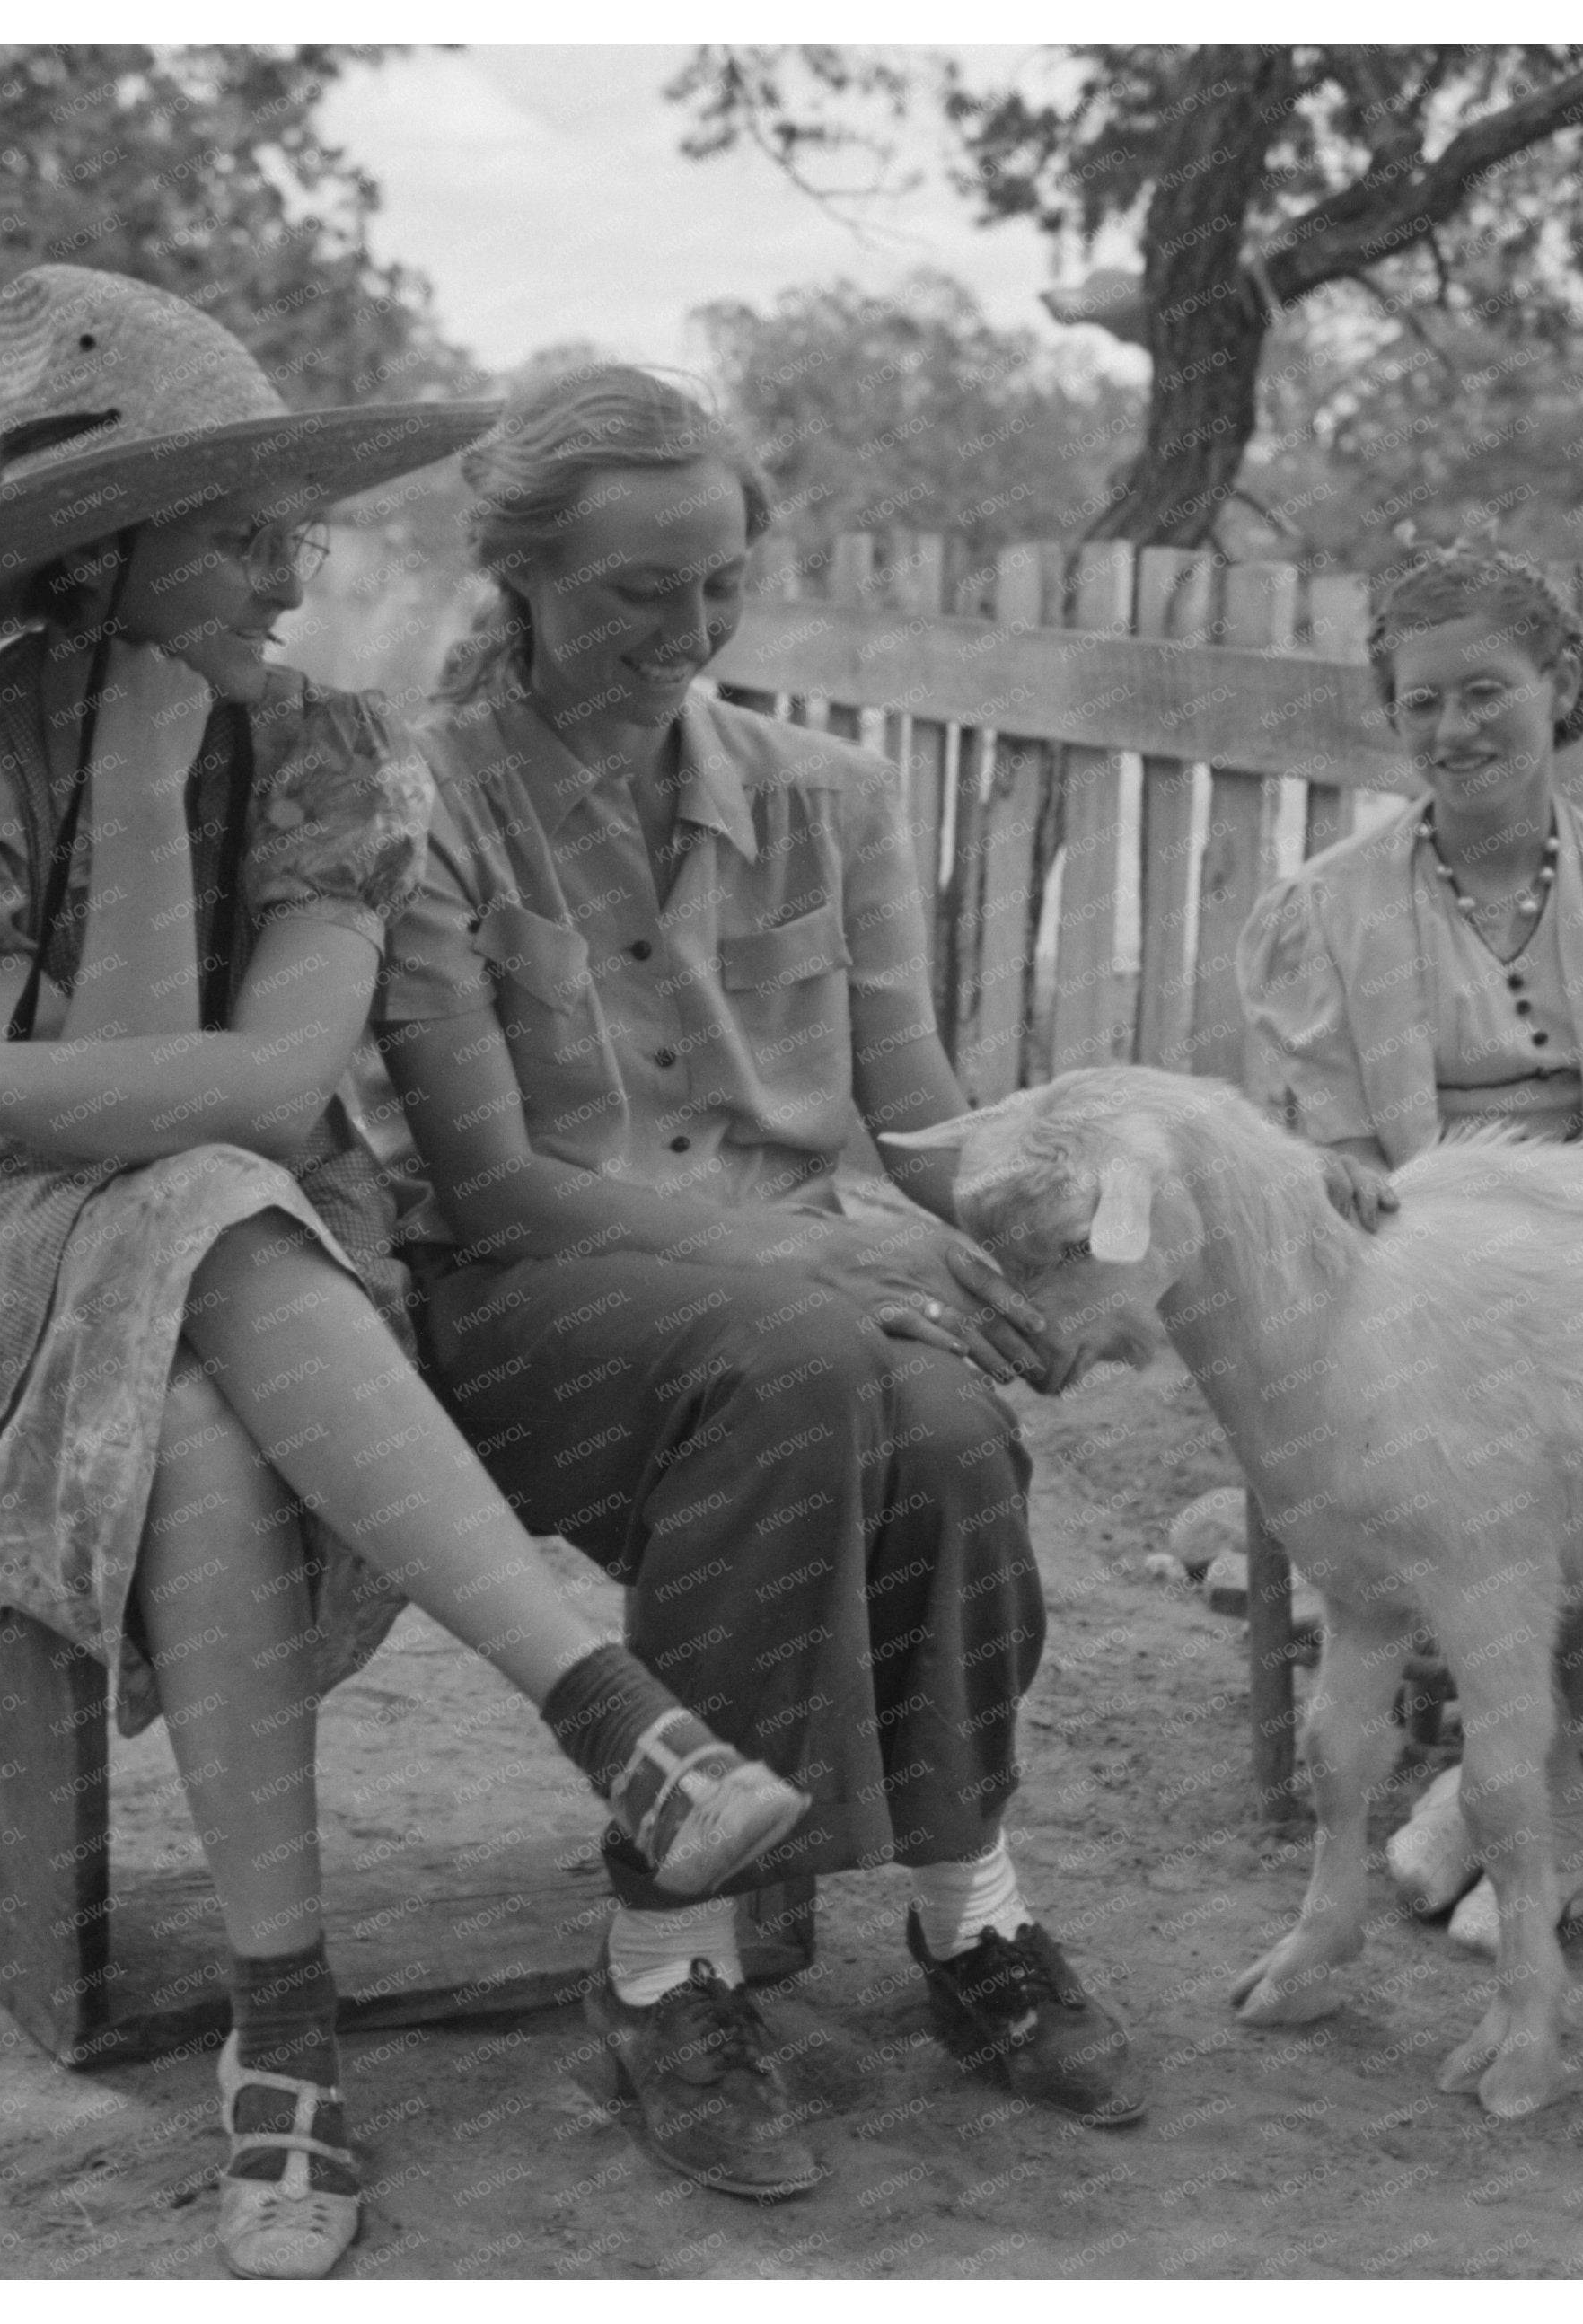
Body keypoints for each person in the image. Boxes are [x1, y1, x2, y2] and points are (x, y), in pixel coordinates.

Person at [0, 269, 807, 2280]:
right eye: (238, 539)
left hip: (278, 1275)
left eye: (283, 530)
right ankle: (611, 1716)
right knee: (200, 1206)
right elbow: (120, 1121)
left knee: (220, 1343)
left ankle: (281, 2026)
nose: (289, 583)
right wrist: (130, 791)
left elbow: (273, 1080)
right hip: (11, 1292)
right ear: (96, 560)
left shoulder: (325, 757)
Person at [372, 368, 1156, 2201]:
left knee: (955, 1421)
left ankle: (973, 1917)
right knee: (809, 1357)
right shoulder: (427, 808)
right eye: (635, 593)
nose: (688, 629)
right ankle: (668, 1959)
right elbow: (491, 1179)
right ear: (523, 583)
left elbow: (927, 1123)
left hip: (805, 1312)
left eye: (719, 582)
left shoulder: (831, 797)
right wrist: (825, 1244)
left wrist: (1106, 1198)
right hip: (527, 1302)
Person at [1236, 543, 1583, 1952]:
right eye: (1421, 702)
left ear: (1558, 684)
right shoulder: (1328, 909)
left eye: (1486, 691)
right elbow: (1347, 1165)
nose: (1455, 730)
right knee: (1459, 1479)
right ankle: (1546, 1802)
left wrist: (1581, 1288)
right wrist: (1458, 1287)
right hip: (1408, 1278)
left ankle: (1481, 1778)